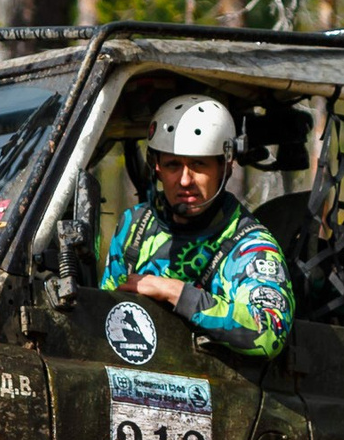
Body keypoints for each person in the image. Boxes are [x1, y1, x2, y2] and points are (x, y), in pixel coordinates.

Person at [101, 94, 294, 359]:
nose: (184, 180)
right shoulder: (134, 226)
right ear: (156, 167)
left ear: (224, 166)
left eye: (198, 164)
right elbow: (104, 313)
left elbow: (270, 332)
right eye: (172, 165)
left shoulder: (251, 246)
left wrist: (173, 291)